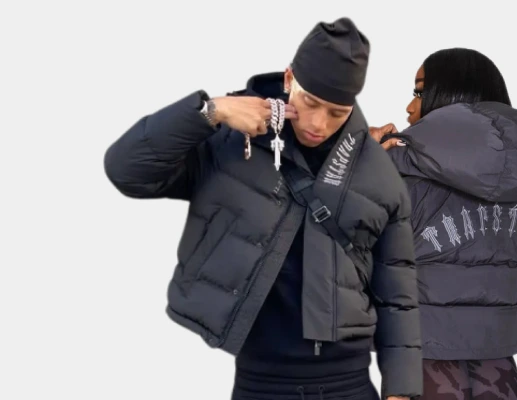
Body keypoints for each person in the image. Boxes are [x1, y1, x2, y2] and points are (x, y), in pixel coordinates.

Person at [104, 17, 422, 400]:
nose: (318, 124)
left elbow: (398, 293)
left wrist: (401, 391)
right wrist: (210, 112)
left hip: (348, 383)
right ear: (289, 79)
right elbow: (127, 170)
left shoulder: (377, 170)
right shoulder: (228, 140)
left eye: (337, 112)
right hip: (259, 382)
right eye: (310, 102)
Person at [369, 47, 517, 399]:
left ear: (449, 98)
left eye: (419, 93)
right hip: (499, 368)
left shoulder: (399, 183)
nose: (408, 107)